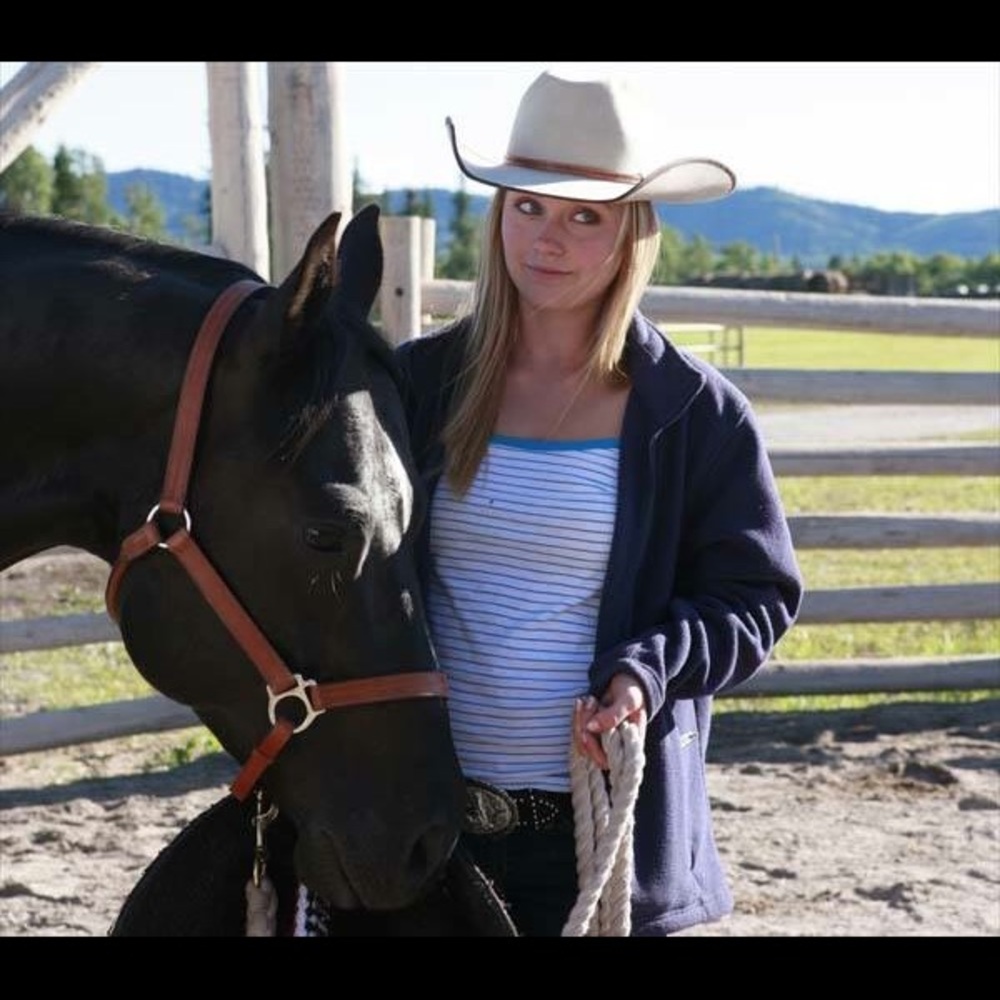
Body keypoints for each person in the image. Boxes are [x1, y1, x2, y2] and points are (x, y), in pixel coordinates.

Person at [395, 69, 804, 937]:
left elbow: (756, 598)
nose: (549, 237)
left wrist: (643, 672)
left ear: (631, 235)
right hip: (426, 825)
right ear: (497, 214)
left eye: (587, 215)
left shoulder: (694, 413)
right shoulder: (421, 386)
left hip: (599, 833)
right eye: (529, 206)